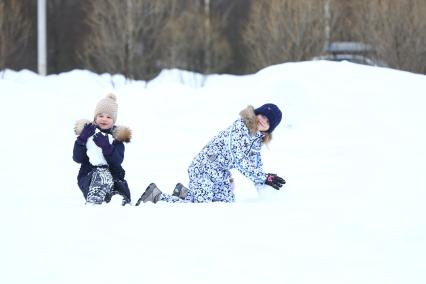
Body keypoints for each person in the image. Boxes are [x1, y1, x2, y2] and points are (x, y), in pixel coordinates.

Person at [135, 103, 285, 205]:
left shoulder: (257, 141)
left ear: (270, 128)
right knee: (202, 208)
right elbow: (237, 158)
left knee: (225, 205)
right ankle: (155, 196)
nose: (262, 120)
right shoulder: (241, 126)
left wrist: (265, 184)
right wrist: (262, 177)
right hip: (203, 169)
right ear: (257, 113)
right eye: (262, 115)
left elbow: (255, 166)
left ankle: (184, 193)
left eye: (268, 121)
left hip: (220, 175)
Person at [73, 93, 132, 205]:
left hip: (115, 178)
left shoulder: (116, 138)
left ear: (114, 120)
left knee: (120, 197)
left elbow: (117, 161)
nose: (104, 119)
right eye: (100, 116)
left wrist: (106, 147)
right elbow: (77, 158)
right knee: (101, 172)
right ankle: (96, 195)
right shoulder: (87, 134)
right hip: (89, 178)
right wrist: (82, 139)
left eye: (108, 117)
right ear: (95, 118)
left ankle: (121, 199)